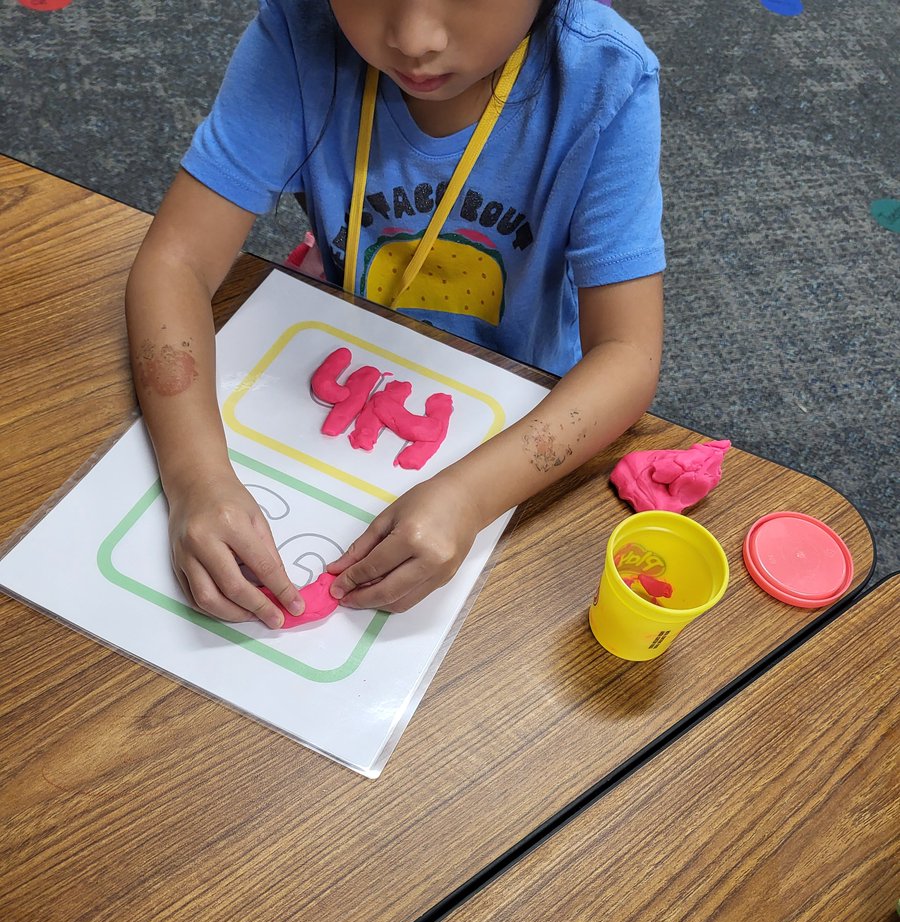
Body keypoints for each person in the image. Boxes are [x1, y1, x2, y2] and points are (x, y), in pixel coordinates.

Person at [126, 0, 665, 628]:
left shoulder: (606, 81)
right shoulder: (299, 37)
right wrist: (195, 475)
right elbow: (174, 263)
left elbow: (628, 355)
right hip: (348, 346)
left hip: (526, 396)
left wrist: (469, 498)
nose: (414, 39)